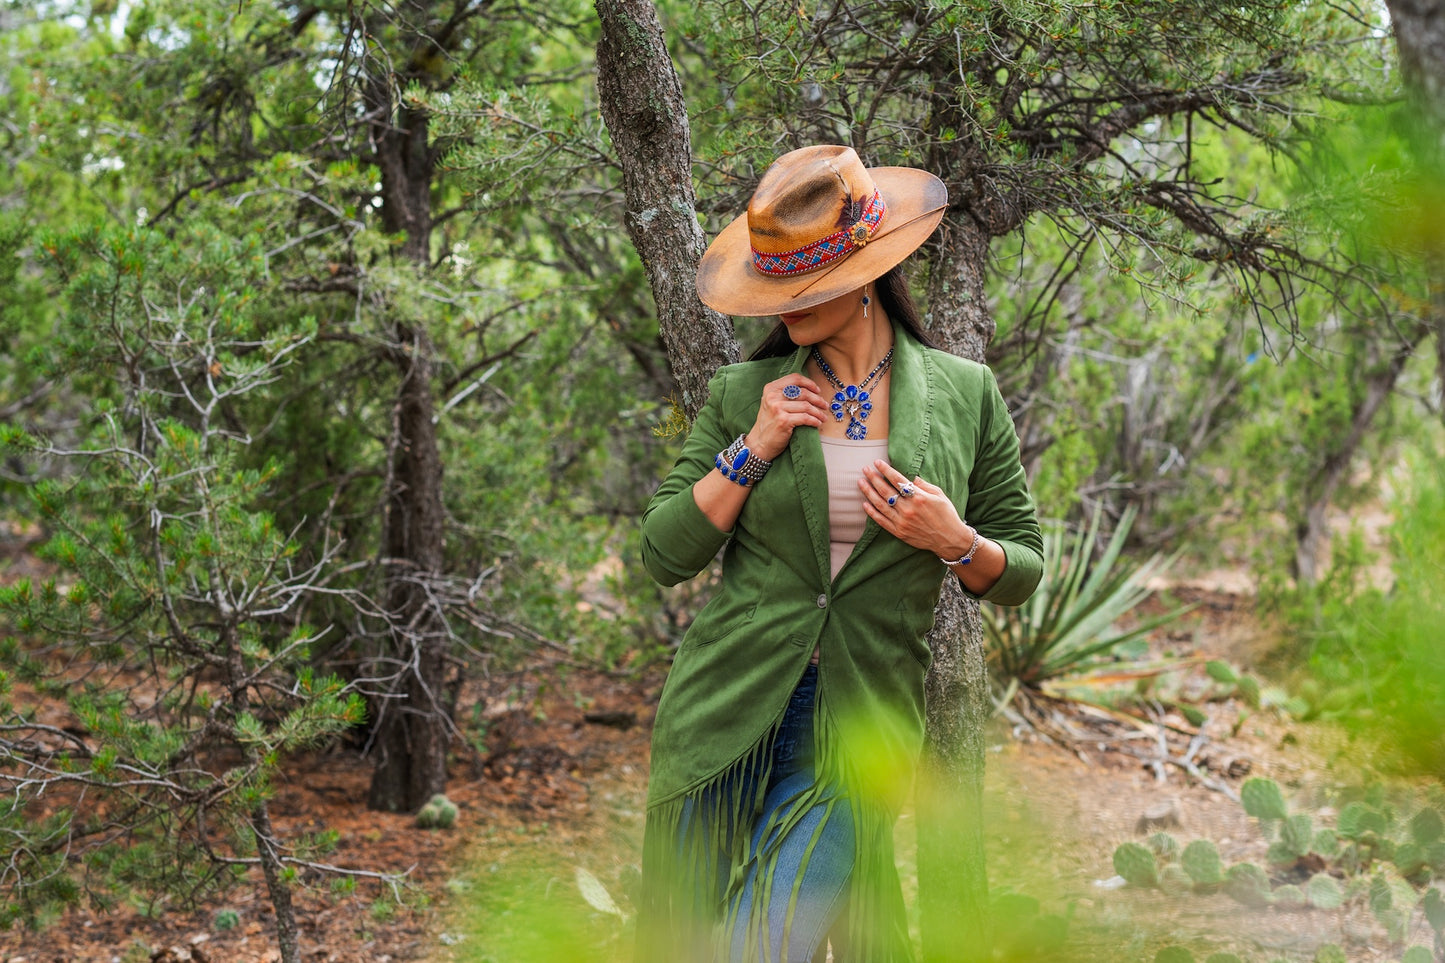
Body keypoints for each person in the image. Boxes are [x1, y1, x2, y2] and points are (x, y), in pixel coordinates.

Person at [636, 145, 1044, 963]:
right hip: (725, 712)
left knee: (768, 938)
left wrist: (955, 540)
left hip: (860, 727)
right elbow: (664, 551)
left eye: (802, 288)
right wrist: (751, 448)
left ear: (864, 274)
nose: (781, 308)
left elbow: (1022, 566)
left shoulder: (965, 393)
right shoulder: (741, 396)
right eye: (774, 288)